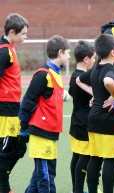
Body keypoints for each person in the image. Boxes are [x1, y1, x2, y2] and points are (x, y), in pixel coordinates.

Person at [18, 35, 71, 192]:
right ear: (60, 52)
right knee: (45, 179)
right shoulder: (43, 75)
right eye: (68, 53)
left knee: (41, 176)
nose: (69, 56)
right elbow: (27, 102)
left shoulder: (56, 74)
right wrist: (23, 130)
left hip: (50, 133)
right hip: (41, 133)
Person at [76, 34, 114, 193]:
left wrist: (95, 94)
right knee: (109, 159)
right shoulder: (113, 69)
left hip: (93, 119)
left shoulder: (95, 67)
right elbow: (108, 82)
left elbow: (79, 80)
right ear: (112, 52)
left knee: (95, 158)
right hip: (109, 119)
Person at [0, 13, 28, 193]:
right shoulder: (4, 51)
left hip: (12, 107)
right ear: (12, 32)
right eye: (23, 34)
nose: (26, 37)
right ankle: (4, 187)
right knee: (7, 149)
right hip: (5, 108)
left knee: (19, 146)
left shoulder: (9, 48)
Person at [69, 40, 96, 193]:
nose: (94, 61)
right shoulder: (86, 78)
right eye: (93, 58)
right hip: (85, 123)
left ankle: (76, 189)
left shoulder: (74, 75)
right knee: (84, 158)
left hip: (75, 121)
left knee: (77, 156)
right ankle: (78, 189)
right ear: (86, 59)